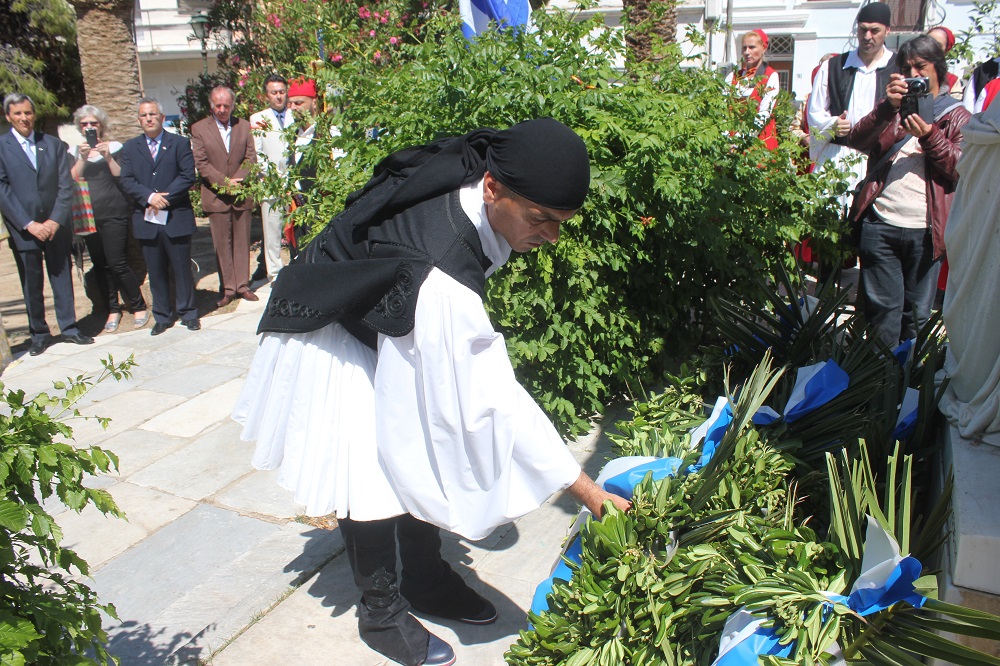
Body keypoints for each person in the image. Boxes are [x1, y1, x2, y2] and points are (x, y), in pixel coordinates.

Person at [232, 118, 631, 666]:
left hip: (382, 307)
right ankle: (380, 612)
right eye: (541, 219)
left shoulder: (481, 181)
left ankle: (423, 574)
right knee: (369, 471)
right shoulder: (440, 272)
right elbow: (494, 398)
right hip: (330, 318)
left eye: (561, 223)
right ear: (492, 189)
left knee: (422, 442)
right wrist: (587, 491)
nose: (552, 236)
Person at [844, 35, 970, 348]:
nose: (913, 74)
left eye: (921, 67)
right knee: (881, 317)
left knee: (916, 318)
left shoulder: (957, 116)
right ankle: (878, 376)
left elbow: (961, 167)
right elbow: (857, 140)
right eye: (907, 68)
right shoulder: (892, 109)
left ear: (938, 69)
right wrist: (888, 107)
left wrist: (929, 136)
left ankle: (908, 377)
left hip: (926, 231)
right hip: (881, 224)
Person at [0, 93, 94, 356]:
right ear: (8, 116)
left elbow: (66, 185)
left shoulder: (52, 144)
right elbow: (2, 189)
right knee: (31, 282)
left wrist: (54, 220)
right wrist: (28, 223)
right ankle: (39, 335)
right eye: (18, 113)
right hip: (24, 229)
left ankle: (69, 328)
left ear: (34, 114)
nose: (24, 118)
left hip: (56, 225)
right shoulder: (2, 146)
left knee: (61, 276)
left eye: (28, 112)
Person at [119, 97, 201, 335]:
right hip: (148, 218)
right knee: (155, 271)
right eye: (144, 115)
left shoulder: (179, 143)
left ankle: (189, 313)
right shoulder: (130, 147)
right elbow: (127, 180)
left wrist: (165, 197)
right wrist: (149, 197)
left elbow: (187, 175)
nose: (149, 119)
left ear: (162, 117)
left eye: (153, 114)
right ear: (139, 120)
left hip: (175, 216)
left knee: (182, 269)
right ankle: (163, 316)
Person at [69, 104, 149, 332]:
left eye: (93, 123)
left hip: (114, 212)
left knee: (117, 262)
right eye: (85, 124)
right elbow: (73, 177)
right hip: (88, 217)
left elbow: (122, 175)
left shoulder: (115, 148)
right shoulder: (75, 152)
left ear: (101, 125)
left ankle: (138, 306)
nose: (89, 127)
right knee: (100, 265)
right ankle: (112, 309)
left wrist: (107, 156)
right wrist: (83, 157)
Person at [807, 2, 898, 193]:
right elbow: (814, 111)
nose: (867, 36)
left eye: (875, 30)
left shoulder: (898, 67)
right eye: (863, 29)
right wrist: (832, 124)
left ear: (887, 30)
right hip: (837, 157)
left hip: (879, 159)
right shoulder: (833, 66)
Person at [190, 86, 258, 307]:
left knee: (242, 242)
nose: (222, 109)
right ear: (211, 106)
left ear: (232, 105)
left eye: (226, 106)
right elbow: (201, 163)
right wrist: (225, 184)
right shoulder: (200, 129)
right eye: (218, 105)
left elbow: (250, 158)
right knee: (222, 244)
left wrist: (238, 181)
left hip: (241, 194)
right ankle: (228, 288)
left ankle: (243, 285)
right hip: (216, 195)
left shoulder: (244, 126)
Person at [284, 78, 345, 255]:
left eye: (299, 103)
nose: (293, 108)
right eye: (290, 104)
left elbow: (340, 175)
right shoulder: (292, 135)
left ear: (314, 103)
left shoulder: (329, 134)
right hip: (298, 216)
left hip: (321, 215)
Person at [250, 74, 293, 283]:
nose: (278, 96)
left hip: (295, 182)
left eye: (282, 92)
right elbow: (257, 154)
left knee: (297, 229)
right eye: (274, 92)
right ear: (266, 95)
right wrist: (275, 178)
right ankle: (275, 273)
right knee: (272, 232)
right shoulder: (258, 118)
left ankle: (297, 267)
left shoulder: (296, 115)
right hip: (271, 183)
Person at [725, 29, 780, 150]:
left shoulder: (771, 76)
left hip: (758, 142)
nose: (747, 52)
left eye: (752, 47)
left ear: (763, 48)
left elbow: (764, 114)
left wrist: (739, 142)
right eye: (744, 48)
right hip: (731, 141)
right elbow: (723, 109)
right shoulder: (733, 76)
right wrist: (726, 138)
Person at [926, 26, 962, 98]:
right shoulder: (908, 72)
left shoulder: (952, 80)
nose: (931, 47)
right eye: (928, 42)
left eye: (938, 45)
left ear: (945, 51)